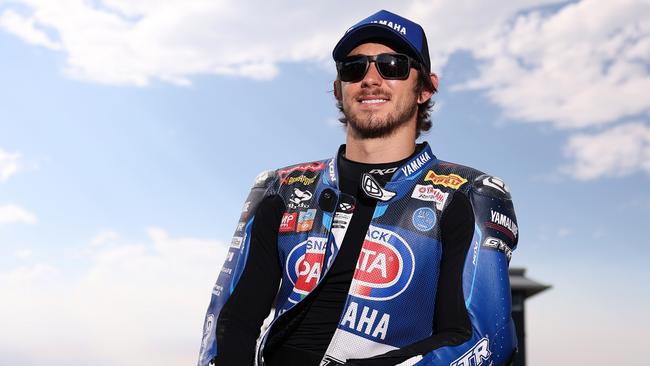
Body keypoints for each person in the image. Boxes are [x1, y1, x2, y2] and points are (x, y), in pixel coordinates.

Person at [198, 9, 519, 366]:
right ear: (339, 88)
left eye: (392, 66)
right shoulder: (280, 188)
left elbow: (481, 339)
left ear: (425, 88)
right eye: (354, 68)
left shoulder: (470, 192)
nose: (370, 78)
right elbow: (230, 323)